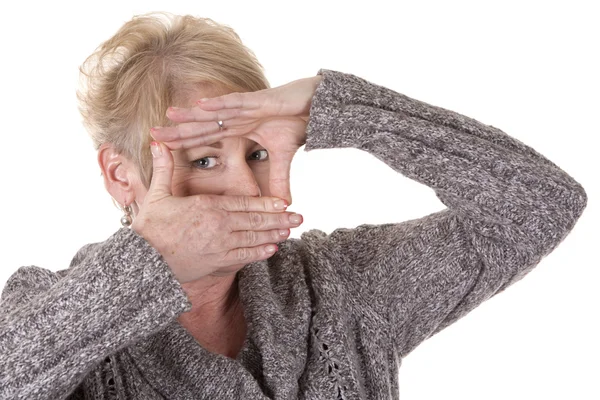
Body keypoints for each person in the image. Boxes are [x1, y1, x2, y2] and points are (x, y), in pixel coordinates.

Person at [0, 11, 588, 400]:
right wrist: (151, 263)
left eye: (256, 153)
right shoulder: (49, 316)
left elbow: (537, 204)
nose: (251, 189)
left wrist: (336, 111)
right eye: (205, 160)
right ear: (119, 174)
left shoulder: (341, 285)